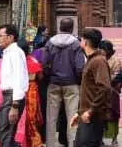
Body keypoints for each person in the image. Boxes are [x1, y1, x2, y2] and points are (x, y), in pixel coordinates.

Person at [41, 17, 84, 147]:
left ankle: (50, 144)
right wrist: (78, 81)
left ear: (60, 27)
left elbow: (44, 64)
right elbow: (79, 67)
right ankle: (73, 144)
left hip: (53, 83)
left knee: (51, 118)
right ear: (72, 28)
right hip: (71, 84)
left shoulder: (50, 43)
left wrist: (49, 76)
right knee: (72, 117)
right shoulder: (76, 44)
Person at [68, 28, 111, 147]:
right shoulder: (91, 60)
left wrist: (91, 111)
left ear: (85, 42)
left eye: (81, 39)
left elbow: (104, 87)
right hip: (86, 113)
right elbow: (89, 89)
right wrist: (79, 112)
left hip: (93, 115)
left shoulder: (98, 61)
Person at [0, 24, 29, 147]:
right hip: (8, 96)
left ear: (10, 37)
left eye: (1, 36)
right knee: (4, 134)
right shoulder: (8, 53)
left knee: (6, 135)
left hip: (12, 97)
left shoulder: (15, 52)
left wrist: (15, 105)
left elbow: (18, 79)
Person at [20, 41, 44, 147]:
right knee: (31, 118)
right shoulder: (33, 60)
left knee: (26, 118)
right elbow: (40, 77)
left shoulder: (17, 61)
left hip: (24, 90)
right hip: (32, 90)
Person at [100, 40, 122, 147]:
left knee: (113, 114)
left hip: (112, 92)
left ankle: (114, 138)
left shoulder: (116, 60)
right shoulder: (98, 59)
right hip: (100, 92)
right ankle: (100, 139)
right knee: (100, 115)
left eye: (104, 50)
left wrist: (105, 79)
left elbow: (117, 76)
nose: (103, 52)